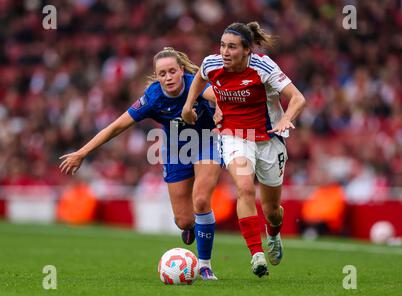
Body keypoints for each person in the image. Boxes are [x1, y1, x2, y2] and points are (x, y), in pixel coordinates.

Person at [60, 47, 222, 280]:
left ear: (182, 71)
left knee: (201, 199)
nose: (168, 78)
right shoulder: (153, 98)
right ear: (157, 76)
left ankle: (204, 265)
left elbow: (218, 96)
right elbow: (116, 126)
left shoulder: (194, 82)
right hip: (176, 149)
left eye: (172, 72)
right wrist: (82, 152)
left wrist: (220, 114)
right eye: (162, 73)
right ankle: (191, 228)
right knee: (184, 220)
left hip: (206, 140)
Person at [182, 22, 306, 277]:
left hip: (269, 139)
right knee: (245, 188)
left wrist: (286, 118)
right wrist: (188, 105)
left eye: (232, 47)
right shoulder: (211, 63)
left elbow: (298, 98)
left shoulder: (263, 67)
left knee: (272, 211)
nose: (225, 52)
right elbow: (199, 78)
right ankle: (257, 255)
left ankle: (273, 233)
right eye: (223, 45)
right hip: (234, 136)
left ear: (247, 50)